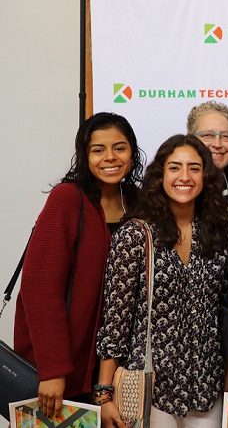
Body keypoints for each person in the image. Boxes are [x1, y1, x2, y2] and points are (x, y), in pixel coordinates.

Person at [95, 135, 228, 428]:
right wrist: (104, 394)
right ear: (160, 175)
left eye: (194, 168)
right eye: (175, 168)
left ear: (206, 176)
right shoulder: (135, 235)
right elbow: (116, 321)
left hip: (206, 385)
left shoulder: (224, 231)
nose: (184, 177)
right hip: (148, 386)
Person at [13, 112, 144, 418]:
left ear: (133, 153)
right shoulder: (67, 199)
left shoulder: (140, 203)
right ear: (84, 156)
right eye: (98, 149)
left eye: (120, 147)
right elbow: (40, 288)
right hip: (67, 367)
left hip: (118, 368)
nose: (109, 157)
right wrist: (52, 368)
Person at [186, 100, 228, 391]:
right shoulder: (183, 192)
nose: (219, 143)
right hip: (194, 333)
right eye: (207, 135)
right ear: (190, 140)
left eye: (226, 136)